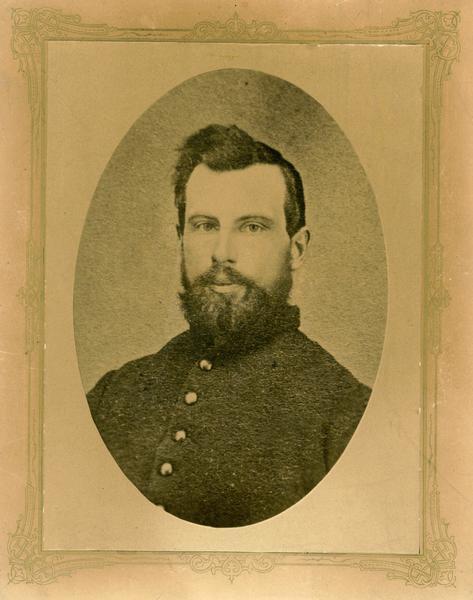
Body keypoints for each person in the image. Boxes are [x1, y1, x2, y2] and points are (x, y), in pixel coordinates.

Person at [87, 124, 371, 528]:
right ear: (181, 237)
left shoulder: (345, 415)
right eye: (205, 225)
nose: (223, 253)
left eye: (252, 227)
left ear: (297, 248)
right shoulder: (113, 395)